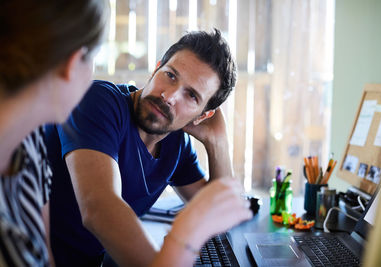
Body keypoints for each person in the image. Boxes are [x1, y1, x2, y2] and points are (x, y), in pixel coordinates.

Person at [45, 29, 251, 266]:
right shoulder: (97, 102)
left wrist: (218, 143)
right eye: (171, 75)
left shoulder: (176, 145)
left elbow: (218, 215)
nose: (169, 96)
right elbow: (98, 209)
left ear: (202, 116)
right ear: (156, 68)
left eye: (191, 95)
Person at [0, 0, 108, 265]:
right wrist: (188, 235)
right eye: (92, 58)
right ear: (72, 62)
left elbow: (45, 257)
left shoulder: (30, 140)